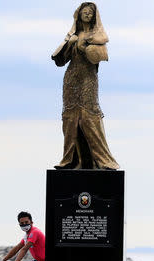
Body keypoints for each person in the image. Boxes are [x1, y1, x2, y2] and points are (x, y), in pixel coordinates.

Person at [52, 2, 119, 170]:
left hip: (88, 78)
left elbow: (100, 56)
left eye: (90, 12)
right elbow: (59, 60)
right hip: (71, 79)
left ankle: (103, 161)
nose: (87, 15)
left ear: (94, 16)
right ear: (79, 14)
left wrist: (84, 48)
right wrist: (70, 43)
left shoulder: (97, 36)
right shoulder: (74, 34)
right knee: (70, 116)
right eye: (85, 12)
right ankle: (70, 160)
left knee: (90, 116)